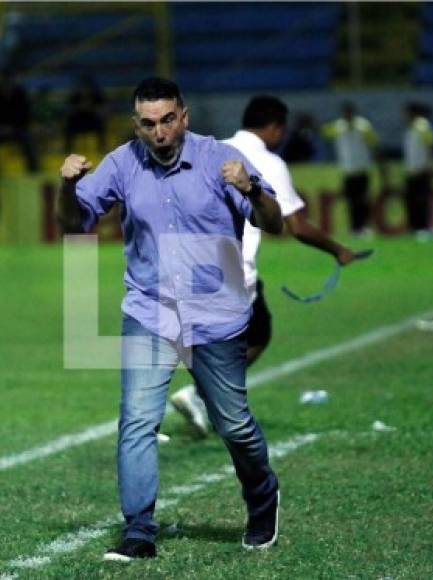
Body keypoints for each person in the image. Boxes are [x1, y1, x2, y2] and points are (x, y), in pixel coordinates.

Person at [56, 78, 284, 561]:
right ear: (136, 125)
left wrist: (253, 187)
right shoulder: (122, 162)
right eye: (147, 123)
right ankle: (139, 530)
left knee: (234, 425)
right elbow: (74, 226)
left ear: (184, 116)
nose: (159, 132)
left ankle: (263, 498)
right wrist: (67, 188)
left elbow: (273, 221)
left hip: (215, 315)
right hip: (149, 311)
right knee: (137, 421)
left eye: (167, 120)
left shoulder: (218, 159)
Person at [171, 96, 362, 435]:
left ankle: (204, 396)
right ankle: (201, 395)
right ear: (274, 128)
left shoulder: (209, 150)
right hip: (232, 265)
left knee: (240, 331)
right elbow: (297, 226)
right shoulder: (268, 162)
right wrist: (339, 250)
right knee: (254, 334)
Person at [323, 101, 379, 236]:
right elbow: (325, 133)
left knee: (363, 201)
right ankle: (354, 228)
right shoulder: (338, 126)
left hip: (362, 168)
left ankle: (364, 226)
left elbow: (373, 143)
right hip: (347, 171)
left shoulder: (363, 125)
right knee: (351, 201)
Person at [0, 71, 39, 176]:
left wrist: (13, 127)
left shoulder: (20, 93)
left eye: (8, 82)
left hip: (17, 128)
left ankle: (33, 172)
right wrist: (1, 127)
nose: (6, 85)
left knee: (28, 141)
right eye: (4, 82)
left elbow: (25, 114)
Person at [403, 102, 433, 240]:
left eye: (405, 112)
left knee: (421, 201)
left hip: (421, 170)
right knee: (412, 201)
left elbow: (430, 144)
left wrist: (430, 165)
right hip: (412, 170)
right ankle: (415, 228)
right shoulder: (411, 128)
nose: (403, 116)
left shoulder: (421, 125)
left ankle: (423, 228)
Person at [64, 74, 107, 154]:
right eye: (83, 87)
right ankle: (67, 149)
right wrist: (79, 108)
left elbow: (103, 108)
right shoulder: (75, 96)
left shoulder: (96, 95)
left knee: (100, 124)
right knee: (68, 126)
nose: (85, 89)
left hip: (92, 120)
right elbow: (68, 108)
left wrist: (92, 108)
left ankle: (101, 148)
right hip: (78, 121)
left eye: (87, 87)